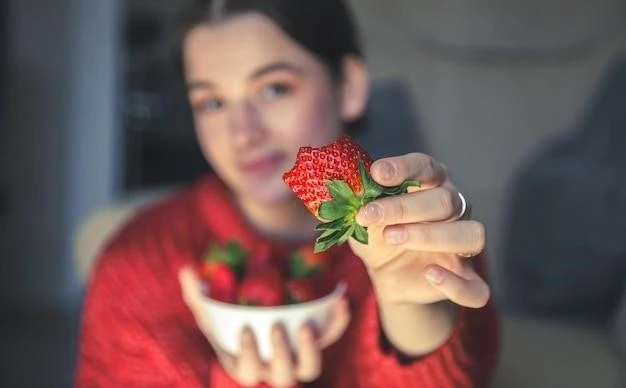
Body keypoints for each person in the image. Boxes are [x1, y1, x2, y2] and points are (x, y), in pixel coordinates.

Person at [75, 1, 499, 387]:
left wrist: (415, 314)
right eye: (212, 103)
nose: (243, 134)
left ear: (348, 86)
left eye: (274, 88)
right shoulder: (134, 263)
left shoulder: (425, 233)